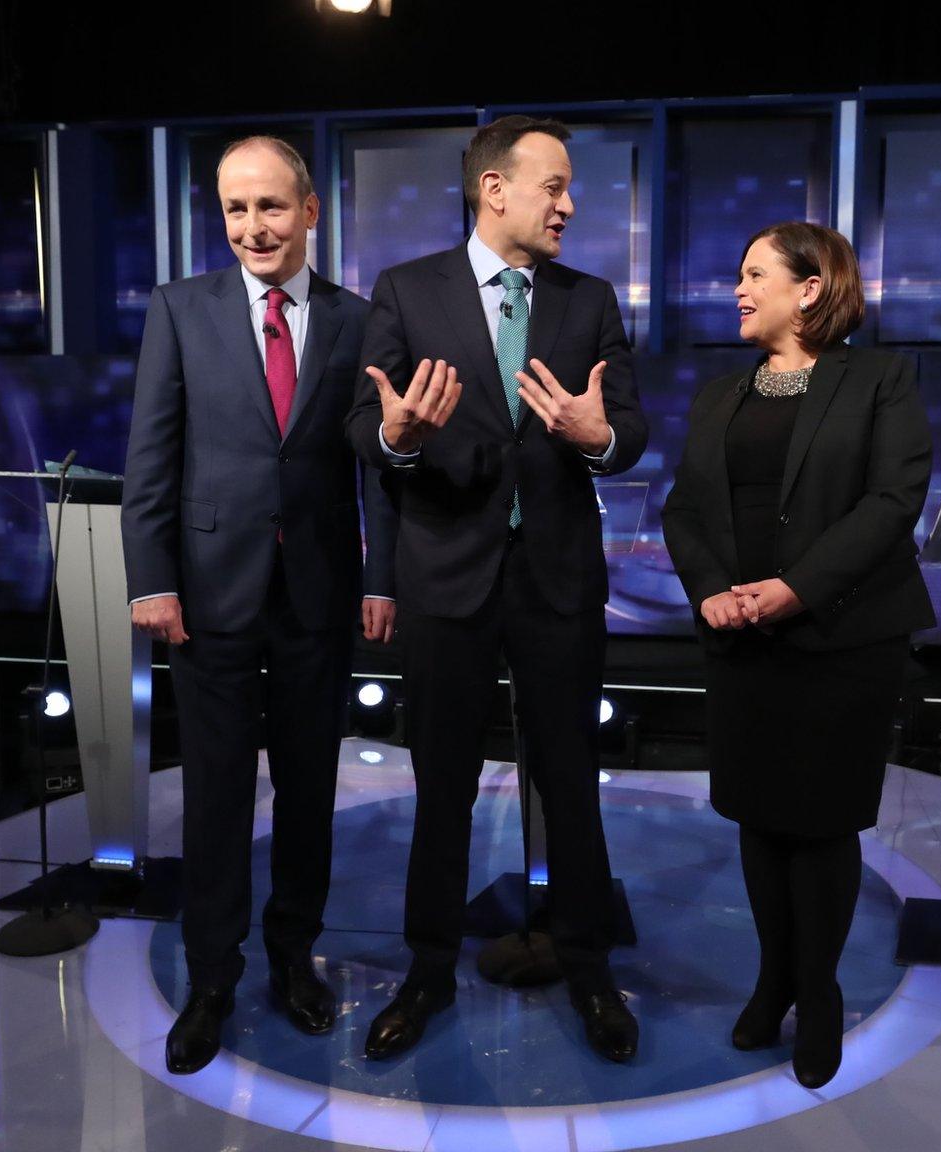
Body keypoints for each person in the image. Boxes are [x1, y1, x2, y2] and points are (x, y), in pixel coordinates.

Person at [346, 115, 649, 1063]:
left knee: (572, 784)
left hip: (557, 582)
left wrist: (598, 437)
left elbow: (628, 429)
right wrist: (398, 435)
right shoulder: (406, 292)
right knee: (442, 788)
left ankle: (590, 968)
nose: (571, 203)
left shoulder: (589, 298)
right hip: (447, 581)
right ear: (495, 191)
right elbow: (369, 424)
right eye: (555, 185)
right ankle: (428, 970)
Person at [121, 136, 397, 1076]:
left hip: (319, 595)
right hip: (208, 597)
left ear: (310, 211)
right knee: (217, 798)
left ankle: (293, 957)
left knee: (311, 792)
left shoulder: (360, 320)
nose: (253, 228)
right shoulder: (180, 309)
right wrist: (150, 579)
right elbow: (150, 455)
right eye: (237, 210)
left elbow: (375, 473)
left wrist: (381, 577)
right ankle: (211, 978)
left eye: (271, 207)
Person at [660, 221, 933, 1089]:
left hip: (841, 638)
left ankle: (817, 995)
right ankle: (773, 976)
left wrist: (796, 588)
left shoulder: (881, 379)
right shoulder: (718, 395)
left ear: (809, 287)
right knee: (758, 818)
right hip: (741, 638)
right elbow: (683, 511)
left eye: (752, 274)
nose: (736, 290)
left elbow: (892, 501)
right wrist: (709, 588)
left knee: (819, 826)